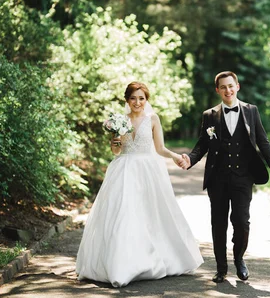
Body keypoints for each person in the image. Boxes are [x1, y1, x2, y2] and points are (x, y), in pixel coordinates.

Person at [76, 81, 203, 287]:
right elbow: (116, 151)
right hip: (124, 169)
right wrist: (115, 143)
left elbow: (160, 148)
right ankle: (120, 265)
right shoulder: (119, 120)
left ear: (146, 100)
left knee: (149, 213)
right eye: (133, 98)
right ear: (127, 100)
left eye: (141, 98)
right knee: (123, 214)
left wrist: (174, 156)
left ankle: (150, 259)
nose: (137, 102)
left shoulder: (152, 119)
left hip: (147, 169)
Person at [180, 71, 270, 283]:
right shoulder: (209, 115)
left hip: (243, 178)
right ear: (218, 90)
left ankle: (239, 259)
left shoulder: (251, 111)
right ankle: (221, 268)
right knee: (218, 223)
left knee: (242, 222)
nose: (228, 90)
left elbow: (263, 142)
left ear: (237, 86)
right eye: (223, 87)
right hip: (217, 179)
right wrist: (189, 160)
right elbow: (202, 145)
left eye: (231, 86)